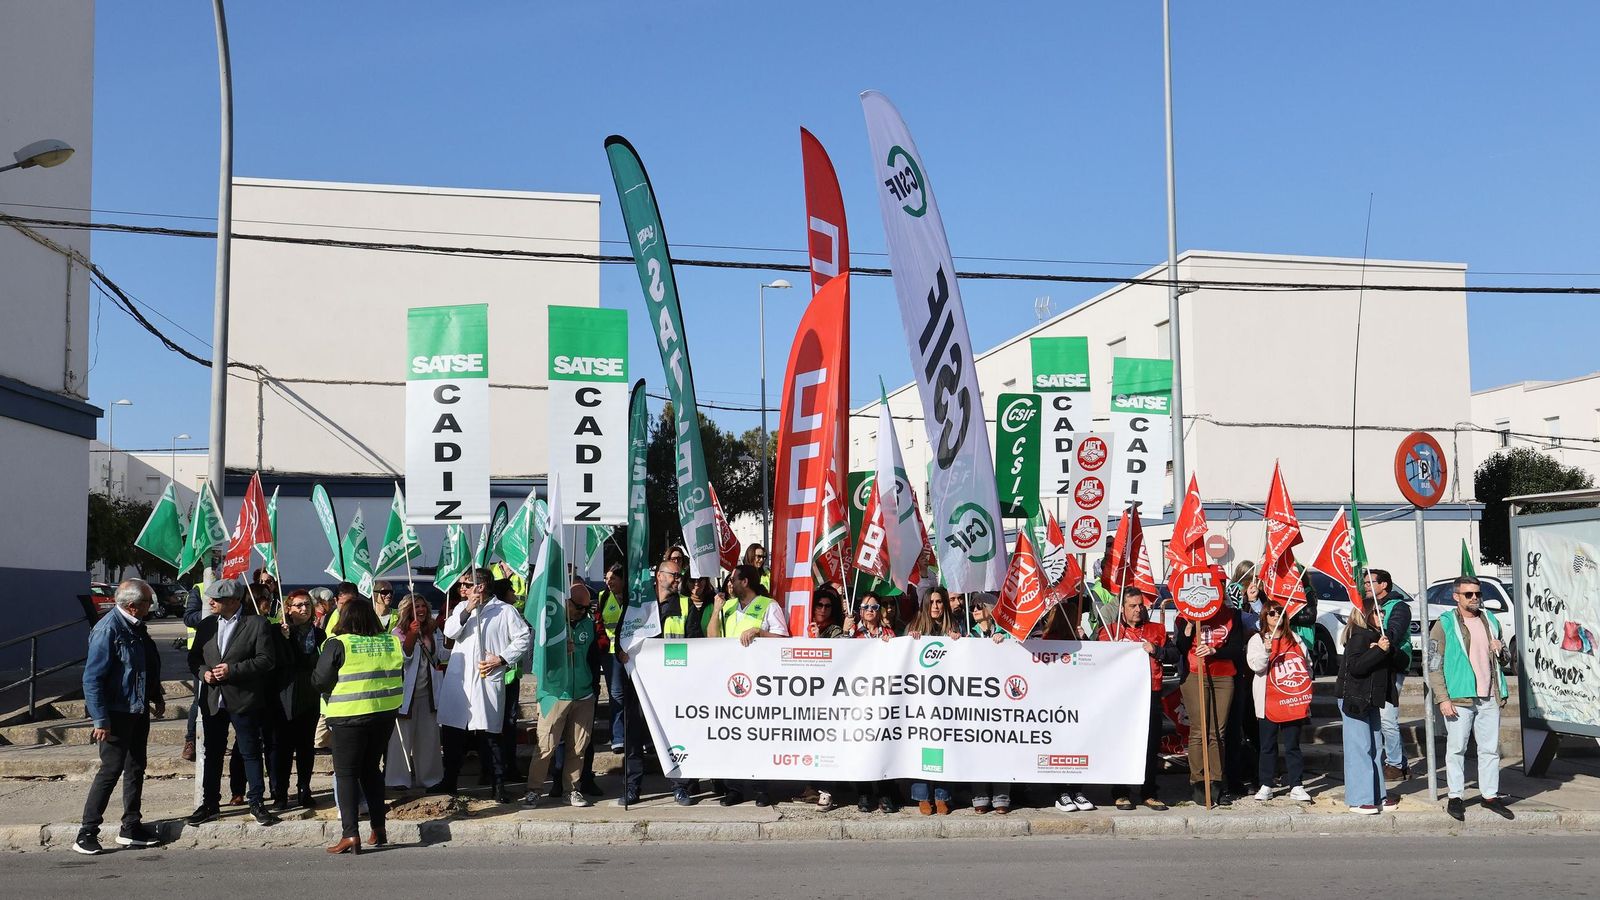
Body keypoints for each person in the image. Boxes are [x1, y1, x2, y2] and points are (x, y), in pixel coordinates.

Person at [75, 579, 165, 855]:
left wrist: (156, 695)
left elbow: (144, 666)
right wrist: (100, 719)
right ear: (133, 605)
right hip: (115, 713)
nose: (152, 606)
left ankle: (131, 826)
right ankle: (87, 831)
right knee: (111, 770)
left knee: (136, 767)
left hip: (137, 709)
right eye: (148, 601)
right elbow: (92, 679)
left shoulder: (136, 626)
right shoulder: (109, 629)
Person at [187, 579, 280, 828]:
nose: (211, 602)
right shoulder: (206, 625)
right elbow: (194, 658)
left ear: (234, 601)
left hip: (244, 699)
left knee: (250, 752)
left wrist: (233, 670)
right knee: (212, 753)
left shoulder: (256, 624)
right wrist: (203, 673)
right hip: (213, 700)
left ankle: (256, 802)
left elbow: (266, 660)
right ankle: (210, 803)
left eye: (216, 599)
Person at [313, 597, 404, 854]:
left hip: (348, 716)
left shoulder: (339, 643)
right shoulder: (390, 641)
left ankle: (350, 834)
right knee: (372, 770)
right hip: (383, 715)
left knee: (346, 775)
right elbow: (399, 674)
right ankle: (379, 829)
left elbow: (320, 680)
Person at [436, 567, 531, 801]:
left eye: (467, 584)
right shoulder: (461, 607)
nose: (462, 588)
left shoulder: (505, 611)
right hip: (460, 681)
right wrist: (468, 608)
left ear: (481, 586)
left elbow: (523, 638)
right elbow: (450, 632)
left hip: (487, 678)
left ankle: (498, 785)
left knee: (491, 735)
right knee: (453, 733)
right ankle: (449, 781)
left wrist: (502, 659)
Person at [1427, 575, 1515, 821]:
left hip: (1489, 695)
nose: (1475, 598)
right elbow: (1433, 664)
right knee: (1457, 749)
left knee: (1490, 749)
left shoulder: (1490, 620)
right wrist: (1443, 698)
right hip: (1459, 697)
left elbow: (1505, 659)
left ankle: (1490, 796)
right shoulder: (1444, 623)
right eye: (1469, 594)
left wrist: (1501, 651)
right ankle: (1455, 796)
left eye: (1478, 593)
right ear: (1456, 596)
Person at [524, 580, 602, 808]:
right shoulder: (549, 623)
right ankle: (534, 790)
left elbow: (593, 658)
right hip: (556, 693)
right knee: (546, 745)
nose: (583, 612)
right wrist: (557, 652)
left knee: (578, 747)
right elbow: (534, 658)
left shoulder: (588, 625)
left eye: (587, 608)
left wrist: (593, 689)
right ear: (566, 602)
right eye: (579, 607)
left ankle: (572, 790)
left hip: (583, 695)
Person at [715, 563, 788, 806]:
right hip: (731, 681)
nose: (730, 584)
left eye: (733, 579)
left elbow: (783, 639)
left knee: (758, 736)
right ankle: (734, 788)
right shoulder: (728, 607)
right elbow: (712, 637)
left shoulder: (768, 605)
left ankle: (761, 789)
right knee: (731, 737)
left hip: (758, 682)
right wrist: (716, 611)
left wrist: (759, 632)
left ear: (745, 582)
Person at [1095, 587, 1173, 812]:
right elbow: (1092, 655)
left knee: (1150, 743)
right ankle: (1120, 792)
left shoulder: (1156, 629)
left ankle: (1149, 792)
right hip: (1121, 696)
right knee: (1122, 743)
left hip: (1150, 693)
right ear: (1122, 609)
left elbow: (1174, 654)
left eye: (1141, 605)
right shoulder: (1109, 631)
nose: (1138, 609)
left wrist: (1156, 650)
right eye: (1133, 606)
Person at [1172, 600, 1245, 808]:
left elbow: (1236, 649)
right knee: (1199, 730)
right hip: (1195, 673)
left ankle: (1216, 782)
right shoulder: (1186, 614)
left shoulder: (1232, 614)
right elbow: (1180, 648)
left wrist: (1215, 651)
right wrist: (1188, 626)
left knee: (1218, 732)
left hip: (1223, 675)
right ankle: (1198, 782)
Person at [1246, 601, 1313, 804]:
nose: (1276, 616)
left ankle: (1296, 785)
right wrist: (1266, 652)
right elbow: (1255, 666)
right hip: (1268, 701)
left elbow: (1307, 664)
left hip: (1291, 699)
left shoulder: (1295, 638)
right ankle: (1266, 784)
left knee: (1292, 745)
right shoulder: (1257, 639)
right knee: (1267, 745)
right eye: (1272, 613)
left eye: (1280, 613)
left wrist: (1303, 686)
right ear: (1264, 617)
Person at [1335, 594, 1393, 814]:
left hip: (1369, 699)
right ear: (1366, 614)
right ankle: (1359, 799)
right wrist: (1377, 651)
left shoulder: (1377, 636)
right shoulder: (1358, 636)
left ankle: (1377, 795)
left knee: (1375, 747)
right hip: (1354, 698)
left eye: (1383, 612)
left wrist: (1384, 649)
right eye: (1378, 612)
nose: (1382, 615)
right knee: (1359, 748)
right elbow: (1356, 667)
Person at [907, 586, 962, 815]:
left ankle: (942, 796)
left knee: (943, 745)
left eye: (939, 602)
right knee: (920, 744)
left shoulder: (954, 627)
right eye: (932, 602)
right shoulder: (915, 627)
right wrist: (909, 641)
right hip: (919, 700)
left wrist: (958, 641)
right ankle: (922, 796)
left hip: (946, 700)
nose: (936, 606)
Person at [843, 592, 899, 813]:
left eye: (874, 607)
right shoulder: (853, 632)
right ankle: (864, 793)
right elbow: (841, 658)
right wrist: (846, 633)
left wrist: (891, 645)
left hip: (883, 700)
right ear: (859, 610)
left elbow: (898, 659)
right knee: (861, 746)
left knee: (883, 745)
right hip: (858, 699)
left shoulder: (888, 633)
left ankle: (885, 793)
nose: (870, 611)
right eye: (866, 607)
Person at [387, 593, 444, 793]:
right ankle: (397, 778)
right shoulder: (397, 632)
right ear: (407, 611)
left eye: (423, 606)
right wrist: (412, 634)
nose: (420, 610)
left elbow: (440, 655)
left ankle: (430, 778)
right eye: (415, 606)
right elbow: (404, 657)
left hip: (428, 693)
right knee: (400, 739)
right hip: (406, 696)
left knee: (429, 738)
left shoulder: (432, 630)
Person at [272, 589, 324, 811]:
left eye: (307, 605)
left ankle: (304, 788)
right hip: (285, 696)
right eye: (299, 605)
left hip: (309, 695)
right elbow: (277, 662)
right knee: (283, 748)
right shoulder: (280, 632)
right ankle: (280, 793)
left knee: (306, 747)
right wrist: (284, 639)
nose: (304, 609)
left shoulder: (319, 634)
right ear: (289, 609)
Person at [1362, 568, 1413, 790]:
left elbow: (1394, 633)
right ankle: (1401, 762)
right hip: (1376, 663)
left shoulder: (1399, 607)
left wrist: (1378, 645)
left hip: (1393, 664)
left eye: (1370, 582)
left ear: (1383, 585)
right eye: (1364, 583)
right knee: (1383, 717)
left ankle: (1395, 764)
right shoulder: (1367, 605)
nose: (1366, 586)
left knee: (1387, 717)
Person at [966, 596, 1014, 814]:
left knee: (1001, 745)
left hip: (1001, 700)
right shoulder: (970, 634)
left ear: (990, 609)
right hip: (976, 700)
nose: (974, 610)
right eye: (972, 607)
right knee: (977, 746)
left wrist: (1006, 642)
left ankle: (1001, 794)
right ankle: (979, 795)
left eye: (979, 606)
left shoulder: (1006, 633)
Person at [598, 563, 630, 754]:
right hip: (610, 653)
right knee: (616, 694)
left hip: (631, 652)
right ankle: (618, 737)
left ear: (623, 580)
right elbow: (600, 623)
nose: (608, 582)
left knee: (634, 694)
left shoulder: (632, 597)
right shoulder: (603, 596)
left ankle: (640, 736)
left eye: (613, 578)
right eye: (606, 578)